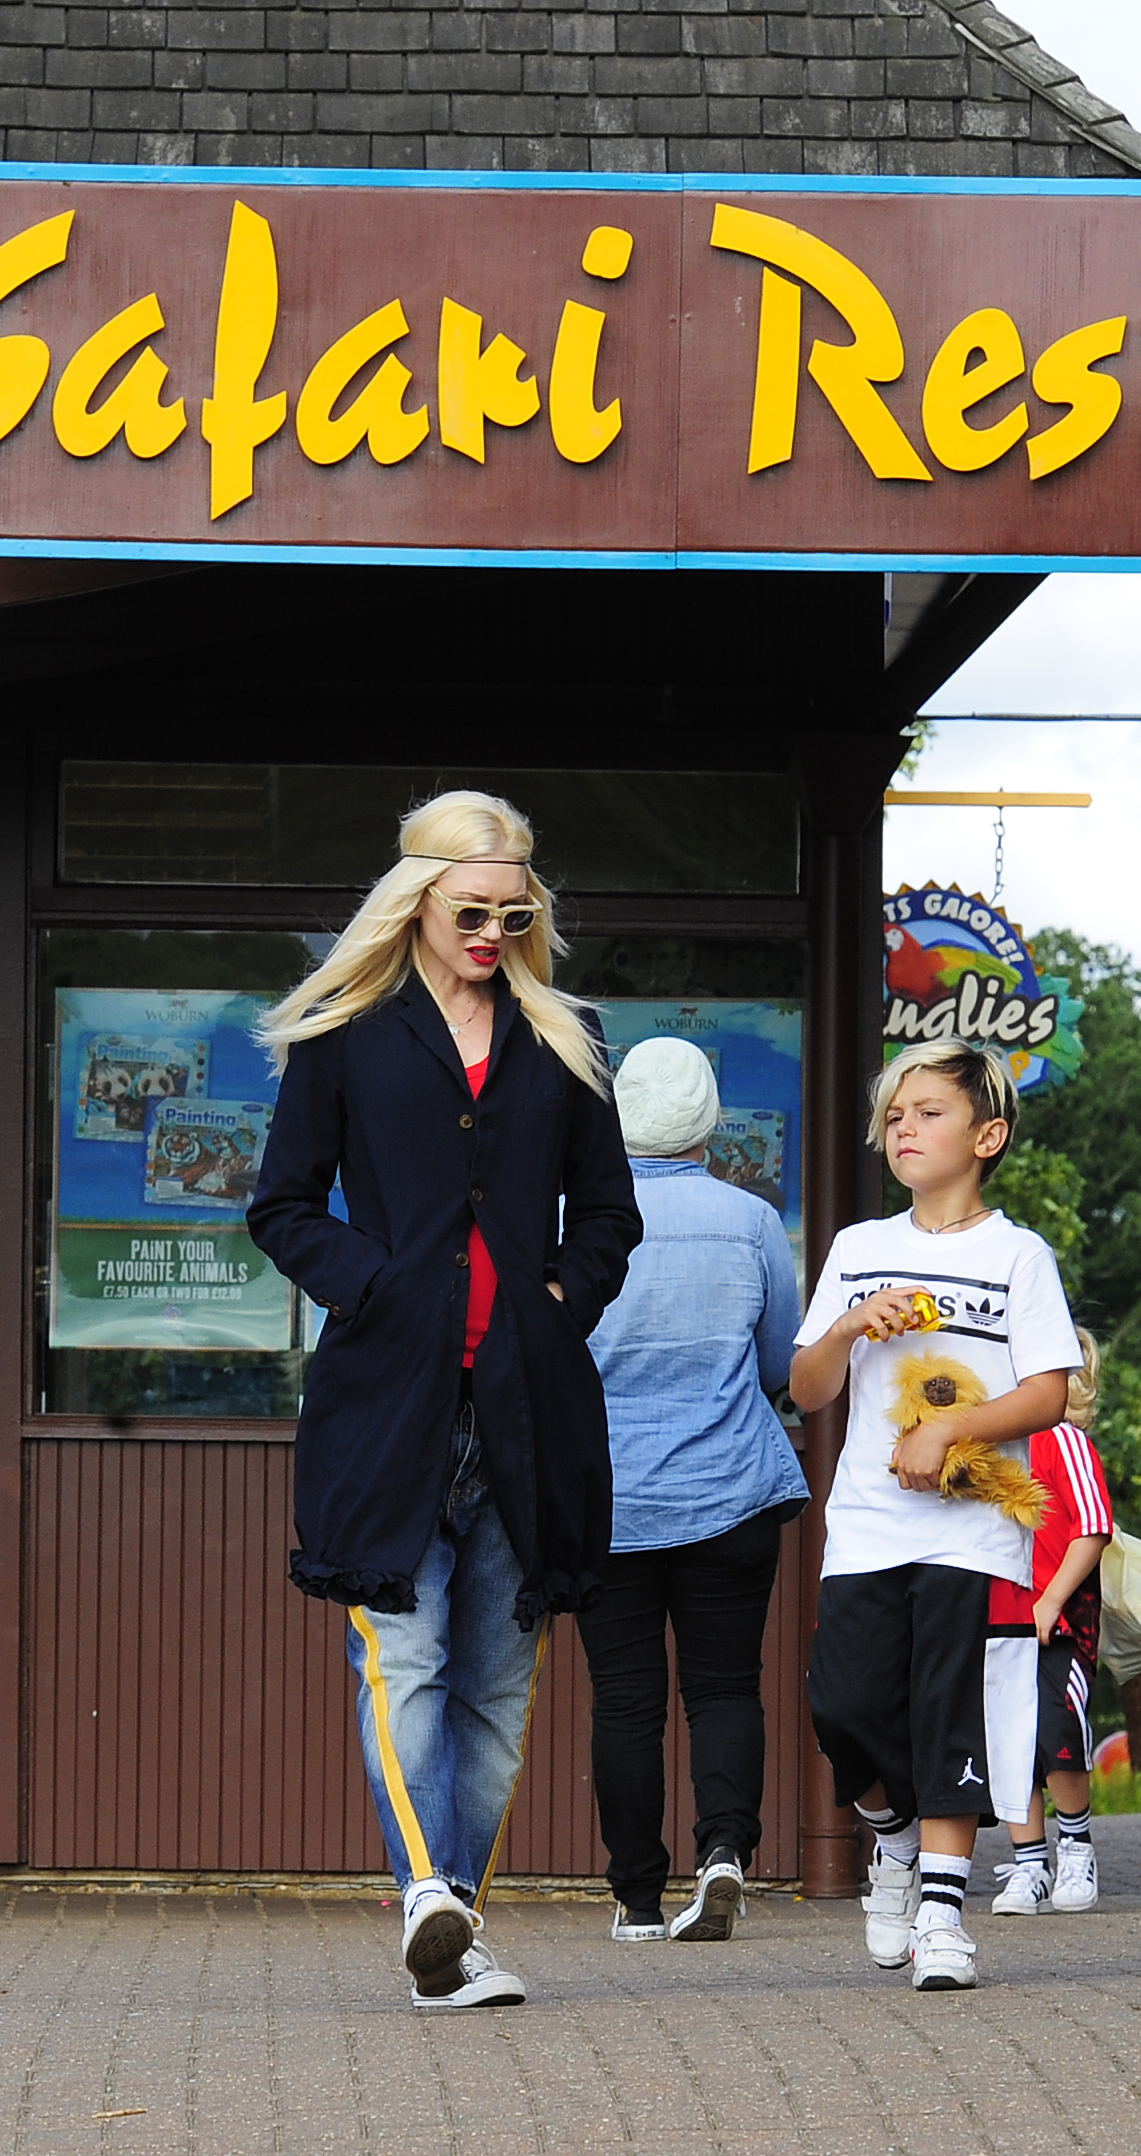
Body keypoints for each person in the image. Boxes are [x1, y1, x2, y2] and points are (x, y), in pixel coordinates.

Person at [249, 789, 641, 2009]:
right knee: (402, 1660)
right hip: (387, 1405)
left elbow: (611, 1215)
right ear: (414, 900)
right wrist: (375, 1287)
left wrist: (557, 1298)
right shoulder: (346, 1032)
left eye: (513, 910)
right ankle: (429, 1895)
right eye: (470, 909)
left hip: (529, 1408)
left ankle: (451, 1935)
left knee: (495, 1687)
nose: (491, 929)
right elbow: (282, 1206)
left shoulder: (566, 1035)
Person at [789, 1039, 1080, 1994]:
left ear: (987, 1134)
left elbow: (1047, 1391)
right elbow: (808, 1385)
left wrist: (953, 1426)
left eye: (928, 1112)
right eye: (895, 1115)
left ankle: (946, 1916)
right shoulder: (859, 1248)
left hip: (975, 1527)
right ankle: (892, 1838)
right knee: (845, 1708)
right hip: (867, 1525)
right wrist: (844, 1325)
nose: (903, 1128)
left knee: (948, 1710)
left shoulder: (1018, 1256)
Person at [580, 1037, 809, 1944]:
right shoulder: (750, 1223)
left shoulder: (574, 1217)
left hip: (611, 1501)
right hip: (730, 1491)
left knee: (625, 1701)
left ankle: (636, 1899)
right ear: (708, 1122)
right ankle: (725, 1854)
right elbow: (779, 1363)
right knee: (724, 1689)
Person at [984, 1330, 1116, 1918]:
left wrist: (1052, 1599)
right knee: (1009, 1738)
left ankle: (1076, 1846)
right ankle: (1029, 1862)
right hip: (998, 1615)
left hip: (1058, 1621)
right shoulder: (990, 1449)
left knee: (1058, 1727)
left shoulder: (1065, 1442)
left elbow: (1092, 1527)